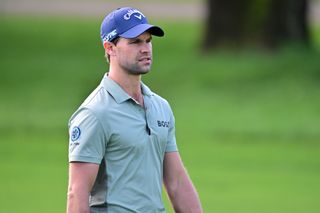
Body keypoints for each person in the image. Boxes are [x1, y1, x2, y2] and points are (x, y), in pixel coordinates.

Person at [67, 7, 202, 213]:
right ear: (110, 48)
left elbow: (177, 184)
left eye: (148, 41)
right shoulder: (94, 113)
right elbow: (77, 193)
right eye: (135, 42)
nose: (146, 48)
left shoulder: (160, 107)